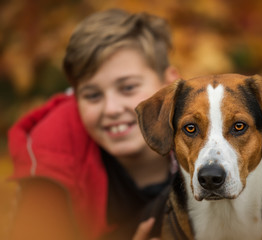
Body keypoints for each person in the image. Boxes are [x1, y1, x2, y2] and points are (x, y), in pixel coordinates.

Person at [8, 9, 180, 240]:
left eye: (128, 88)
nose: (111, 109)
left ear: (169, 82)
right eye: (92, 95)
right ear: (75, 98)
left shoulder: (215, 137)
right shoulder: (51, 168)